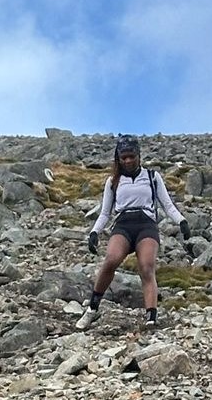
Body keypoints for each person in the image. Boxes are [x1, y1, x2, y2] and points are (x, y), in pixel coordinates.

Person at [76, 134, 194, 330]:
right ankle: (92, 309)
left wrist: (182, 221)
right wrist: (95, 232)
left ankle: (151, 317)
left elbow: (167, 205)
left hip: (146, 225)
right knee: (111, 260)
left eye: (132, 156)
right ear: (119, 159)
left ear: (139, 155)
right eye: (124, 157)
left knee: (146, 267)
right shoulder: (112, 181)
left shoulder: (152, 177)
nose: (128, 161)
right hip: (123, 225)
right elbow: (105, 212)